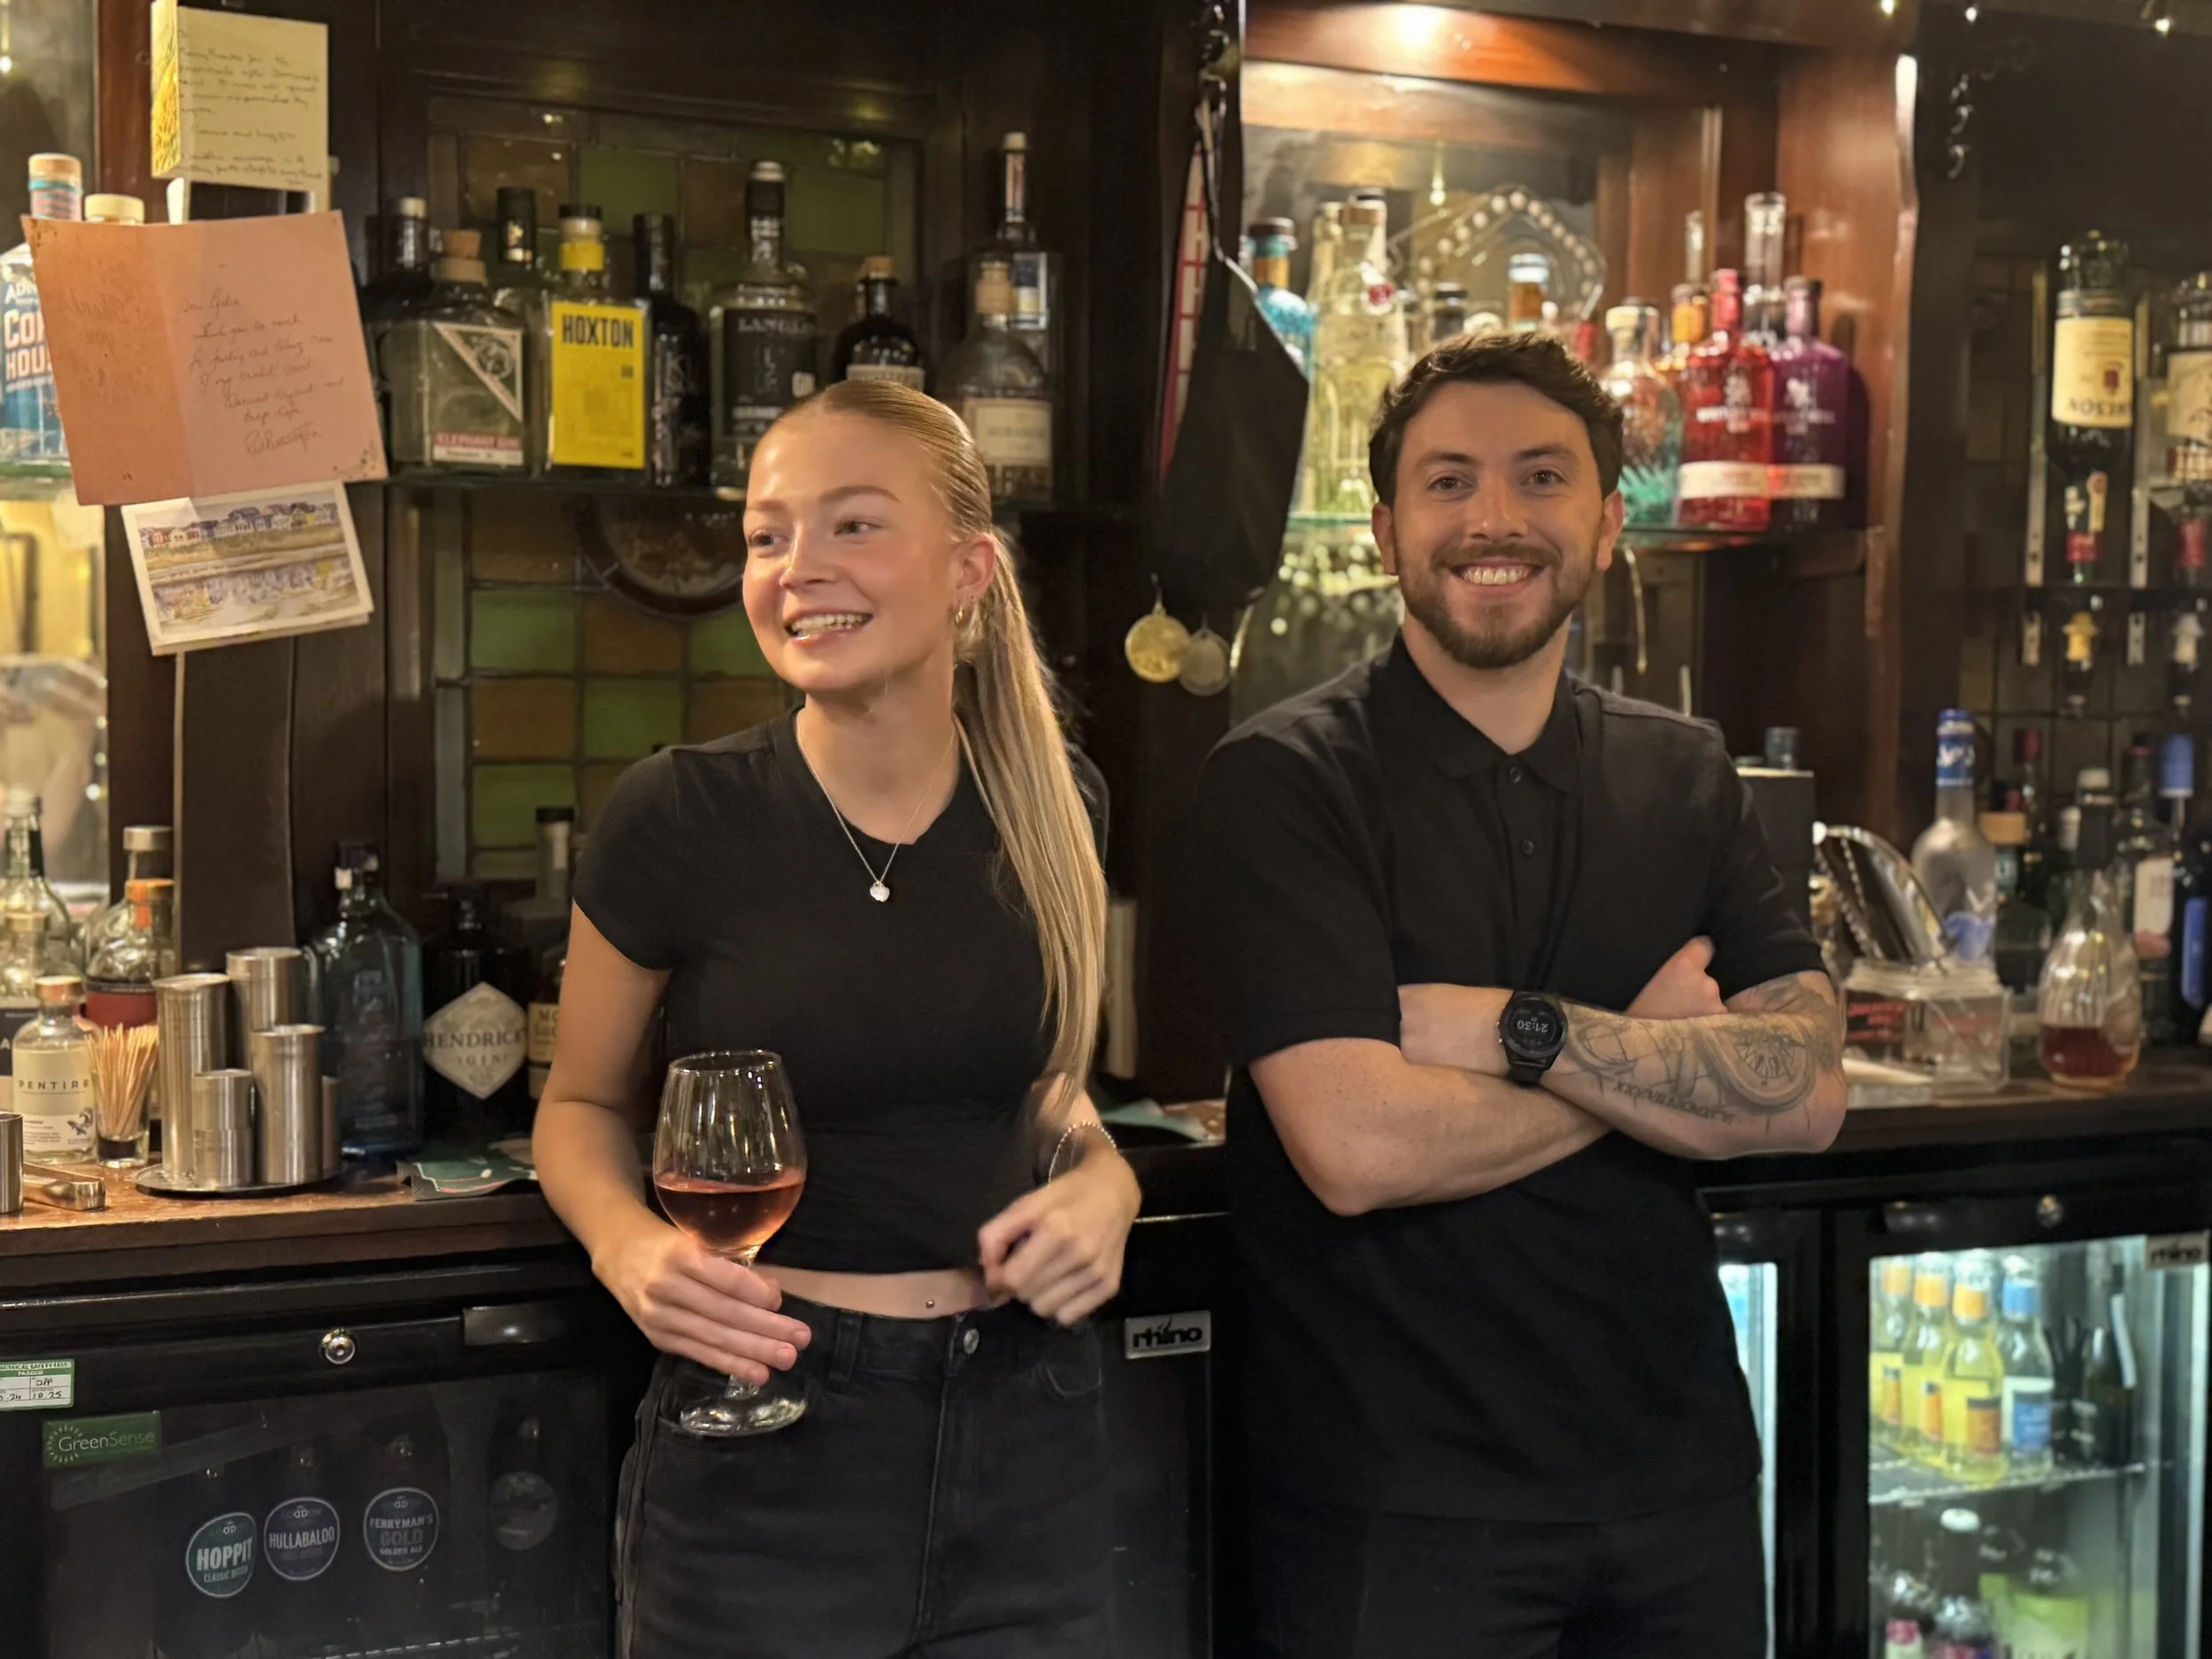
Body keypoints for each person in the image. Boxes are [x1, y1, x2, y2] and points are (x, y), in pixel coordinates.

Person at [1193, 332, 1846, 1659]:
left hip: (1680, 1485)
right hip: (1395, 1506)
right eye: (1448, 483)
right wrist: (1657, 1055)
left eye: (1541, 478)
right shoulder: (1286, 781)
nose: (1495, 518)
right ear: (1385, 530)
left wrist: (1518, 1034)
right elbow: (1358, 1145)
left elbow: (1808, 1089)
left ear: (1608, 525)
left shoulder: (1684, 772)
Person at [534, 378, 1136, 1659]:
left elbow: (1043, 1090)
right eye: (768, 534)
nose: (799, 568)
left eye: (854, 525)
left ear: (970, 567)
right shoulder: (678, 816)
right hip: (771, 1432)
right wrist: (632, 1253)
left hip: (1029, 1423)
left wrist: (1109, 1183)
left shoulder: (1057, 801)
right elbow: (580, 1105)